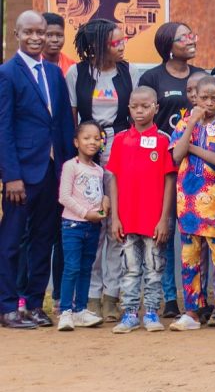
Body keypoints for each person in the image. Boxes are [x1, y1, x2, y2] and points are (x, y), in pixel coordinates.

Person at [0, 11, 75, 329]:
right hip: (21, 175)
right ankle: (6, 307)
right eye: (29, 32)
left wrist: (68, 171)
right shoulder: (7, 72)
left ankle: (34, 304)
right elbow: (3, 128)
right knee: (12, 240)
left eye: (41, 33)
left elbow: (61, 124)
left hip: (52, 171)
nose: (36, 38)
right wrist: (11, 175)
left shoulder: (54, 73)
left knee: (45, 238)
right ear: (17, 35)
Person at [66, 18, 136, 322]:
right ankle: (91, 296)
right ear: (96, 46)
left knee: (115, 226)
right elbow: (72, 118)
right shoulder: (76, 73)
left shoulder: (128, 72)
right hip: (88, 154)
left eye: (123, 40)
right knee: (91, 224)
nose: (122, 46)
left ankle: (112, 296)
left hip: (120, 152)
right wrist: (81, 155)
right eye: (115, 42)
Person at [138, 22, 205, 319]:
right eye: (183, 37)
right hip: (161, 162)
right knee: (163, 231)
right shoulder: (152, 77)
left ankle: (199, 298)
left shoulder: (203, 76)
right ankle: (168, 298)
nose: (191, 40)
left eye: (192, 35)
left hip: (196, 164)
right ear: (168, 45)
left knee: (196, 233)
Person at [168, 75, 215, 332]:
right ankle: (192, 312)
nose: (209, 102)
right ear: (194, 97)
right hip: (187, 202)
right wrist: (192, 124)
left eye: (214, 98)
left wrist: (192, 149)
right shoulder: (186, 121)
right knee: (190, 259)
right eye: (204, 97)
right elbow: (176, 155)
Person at [106, 87, 177, 333]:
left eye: (145, 106)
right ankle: (129, 314)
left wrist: (164, 219)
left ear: (156, 108)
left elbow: (169, 181)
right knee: (130, 268)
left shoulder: (165, 140)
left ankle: (151, 313)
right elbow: (113, 179)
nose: (139, 111)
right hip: (126, 218)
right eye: (134, 106)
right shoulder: (120, 140)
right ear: (128, 108)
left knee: (155, 267)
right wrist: (115, 217)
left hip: (153, 220)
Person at [56, 121, 108, 331]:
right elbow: (64, 197)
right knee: (71, 268)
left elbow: (99, 195)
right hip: (72, 225)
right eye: (86, 138)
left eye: (96, 138)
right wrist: (86, 213)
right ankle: (66, 311)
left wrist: (104, 203)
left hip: (92, 227)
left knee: (87, 268)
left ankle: (81, 310)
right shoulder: (71, 166)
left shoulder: (99, 170)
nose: (92, 142)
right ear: (76, 142)